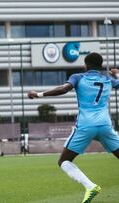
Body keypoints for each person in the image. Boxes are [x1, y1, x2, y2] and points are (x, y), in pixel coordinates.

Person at [27, 52, 119, 203]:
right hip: (105, 125)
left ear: (86, 65)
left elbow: (63, 89)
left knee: (64, 161)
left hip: (85, 125)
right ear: (101, 66)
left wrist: (38, 94)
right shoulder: (108, 79)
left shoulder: (78, 77)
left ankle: (90, 186)